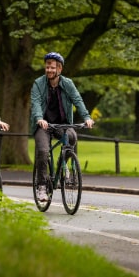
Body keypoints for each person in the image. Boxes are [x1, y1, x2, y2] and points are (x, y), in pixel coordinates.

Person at [30, 52, 94, 202]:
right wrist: (39, 118)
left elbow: (77, 100)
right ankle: (42, 186)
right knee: (43, 151)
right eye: (47, 67)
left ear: (59, 69)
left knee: (72, 137)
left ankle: (62, 163)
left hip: (62, 124)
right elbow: (36, 104)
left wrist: (87, 117)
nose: (49, 70)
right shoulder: (38, 83)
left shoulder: (67, 83)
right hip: (44, 125)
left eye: (52, 68)